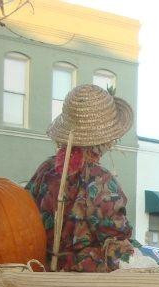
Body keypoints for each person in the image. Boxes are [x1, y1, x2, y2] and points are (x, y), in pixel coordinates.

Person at [26, 84, 136, 272]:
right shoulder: (101, 183)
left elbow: (24, 215)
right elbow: (118, 239)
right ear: (107, 140)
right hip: (82, 283)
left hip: (39, 272)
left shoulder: (45, 171)